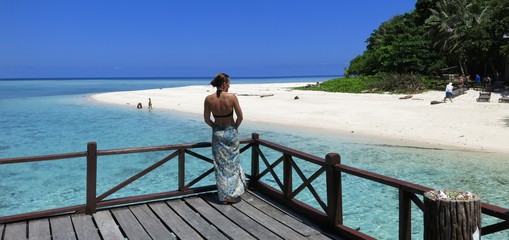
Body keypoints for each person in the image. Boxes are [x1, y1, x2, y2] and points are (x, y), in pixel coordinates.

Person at [204, 73, 245, 204]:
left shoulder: (208, 99)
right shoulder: (232, 97)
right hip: (230, 132)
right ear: (224, 84)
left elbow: (206, 119)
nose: (230, 85)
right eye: (228, 82)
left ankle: (224, 195)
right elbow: (240, 117)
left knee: (220, 165)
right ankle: (231, 194)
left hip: (217, 133)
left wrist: (215, 128)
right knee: (232, 164)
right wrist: (234, 129)